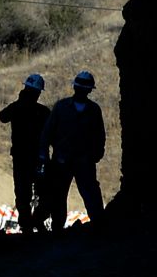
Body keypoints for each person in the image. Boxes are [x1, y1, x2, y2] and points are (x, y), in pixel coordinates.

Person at [38, 70, 106, 227]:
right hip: (63, 161)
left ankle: (99, 225)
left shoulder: (93, 110)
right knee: (59, 195)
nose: (82, 90)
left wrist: (96, 154)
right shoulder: (62, 107)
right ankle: (57, 227)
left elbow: (99, 135)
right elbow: (47, 133)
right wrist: (43, 155)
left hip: (83, 161)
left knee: (89, 194)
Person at [0, 73, 50, 232]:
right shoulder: (43, 112)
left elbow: (2, 116)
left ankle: (27, 224)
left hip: (22, 159)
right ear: (39, 92)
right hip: (39, 159)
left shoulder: (17, 108)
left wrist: (19, 102)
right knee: (43, 191)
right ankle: (36, 222)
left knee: (23, 192)